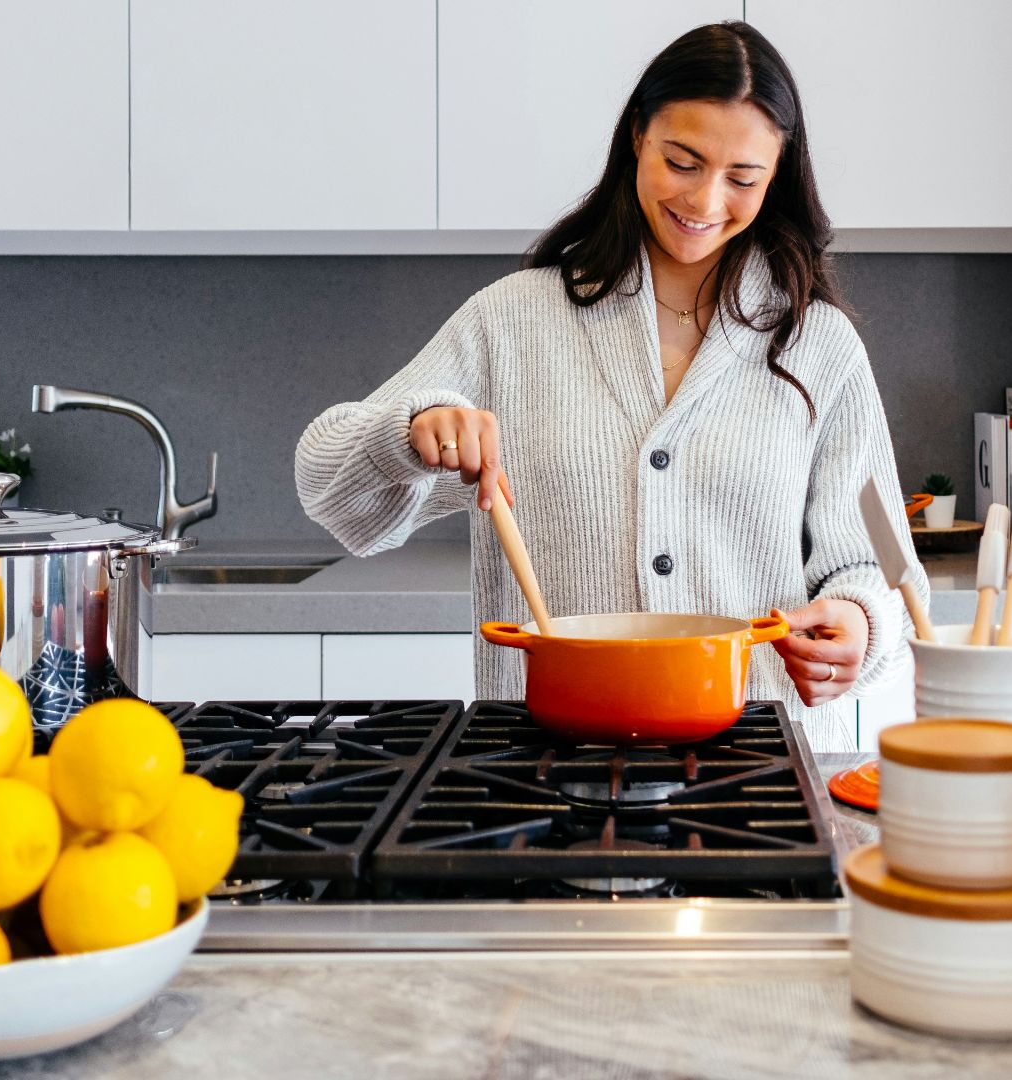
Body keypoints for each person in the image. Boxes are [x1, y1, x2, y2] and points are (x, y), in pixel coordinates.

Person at [294, 20, 927, 750]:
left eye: (743, 177)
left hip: (751, 769)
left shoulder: (818, 344)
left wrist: (856, 622)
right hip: (540, 768)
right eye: (682, 161)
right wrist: (409, 432)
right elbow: (328, 488)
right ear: (636, 137)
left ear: (778, 174)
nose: (706, 200)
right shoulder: (516, 321)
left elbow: (877, 567)